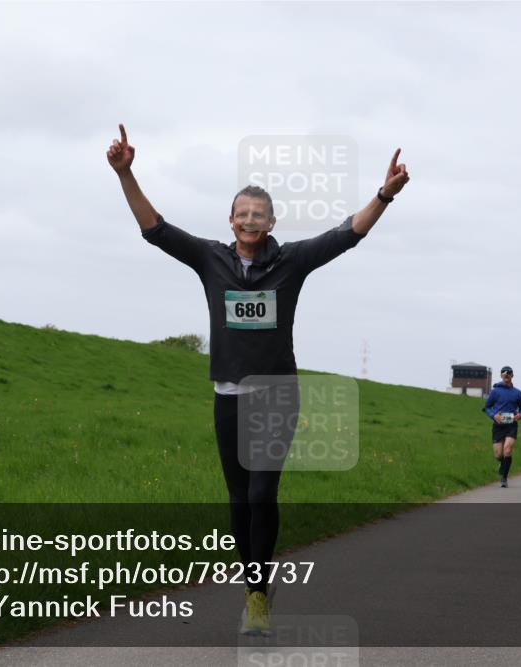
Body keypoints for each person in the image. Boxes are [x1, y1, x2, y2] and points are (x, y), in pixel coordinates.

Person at [107, 123, 409, 635]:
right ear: (231, 220)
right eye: (242, 213)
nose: (250, 219)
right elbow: (154, 228)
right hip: (227, 396)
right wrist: (125, 173)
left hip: (275, 397)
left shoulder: (290, 262)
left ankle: (255, 601)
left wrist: (383, 195)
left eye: (259, 213)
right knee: (238, 498)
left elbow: (346, 234)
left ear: (272, 221)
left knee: (262, 495)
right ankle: (257, 583)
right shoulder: (210, 258)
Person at [483, 366, 521, 488]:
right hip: (498, 425)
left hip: (511, 425)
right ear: (501, 376)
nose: (506, 377)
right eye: (504, 375)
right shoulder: (495, 391)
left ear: (512, 376)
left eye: (508, 375)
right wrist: (493, 415)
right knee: (498, 455)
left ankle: (504, 478)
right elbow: (487, 407)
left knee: (508, 449)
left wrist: (520, 415)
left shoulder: (518, 393)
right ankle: (503, 464)